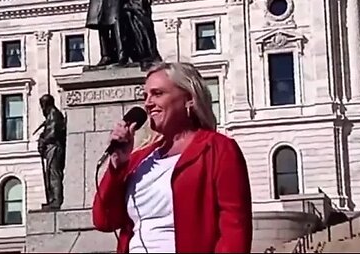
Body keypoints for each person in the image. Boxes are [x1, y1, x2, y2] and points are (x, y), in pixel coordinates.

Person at [92, 62, 253, 253]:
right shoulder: (140, 159)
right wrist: (118, 166)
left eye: (157, 94)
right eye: (146, 96)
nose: (148, 103)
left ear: (189, 99)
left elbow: (235, 228)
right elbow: (104, 220)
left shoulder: (217, 149)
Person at [38, 94, 66, 210]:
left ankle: (56, 199)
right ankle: (52, 199)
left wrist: (44, 140)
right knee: (49, 174)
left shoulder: (54, 114)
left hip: (54, 147)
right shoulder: (50, 116)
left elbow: (53, 133)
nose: (42, 108)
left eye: (42, 105)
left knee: (54, 173)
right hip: (51, 148)